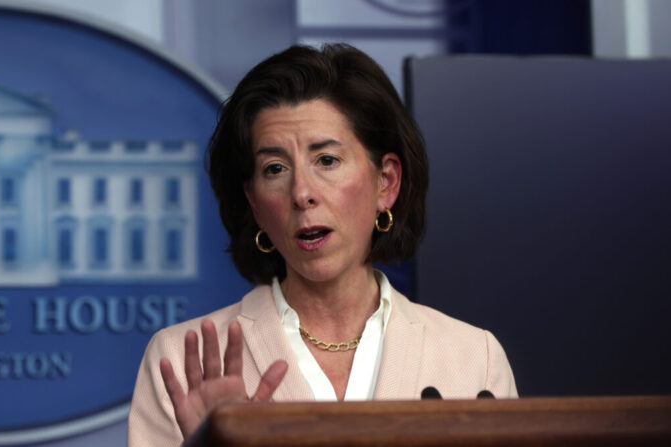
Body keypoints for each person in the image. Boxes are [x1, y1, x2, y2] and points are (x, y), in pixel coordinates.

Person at [127, 43, 517, 447]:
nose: (301, 192)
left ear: (386, 182)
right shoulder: (179, 362)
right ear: (255, 204)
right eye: (275, 169)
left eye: (326, 160)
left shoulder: (473, 357)